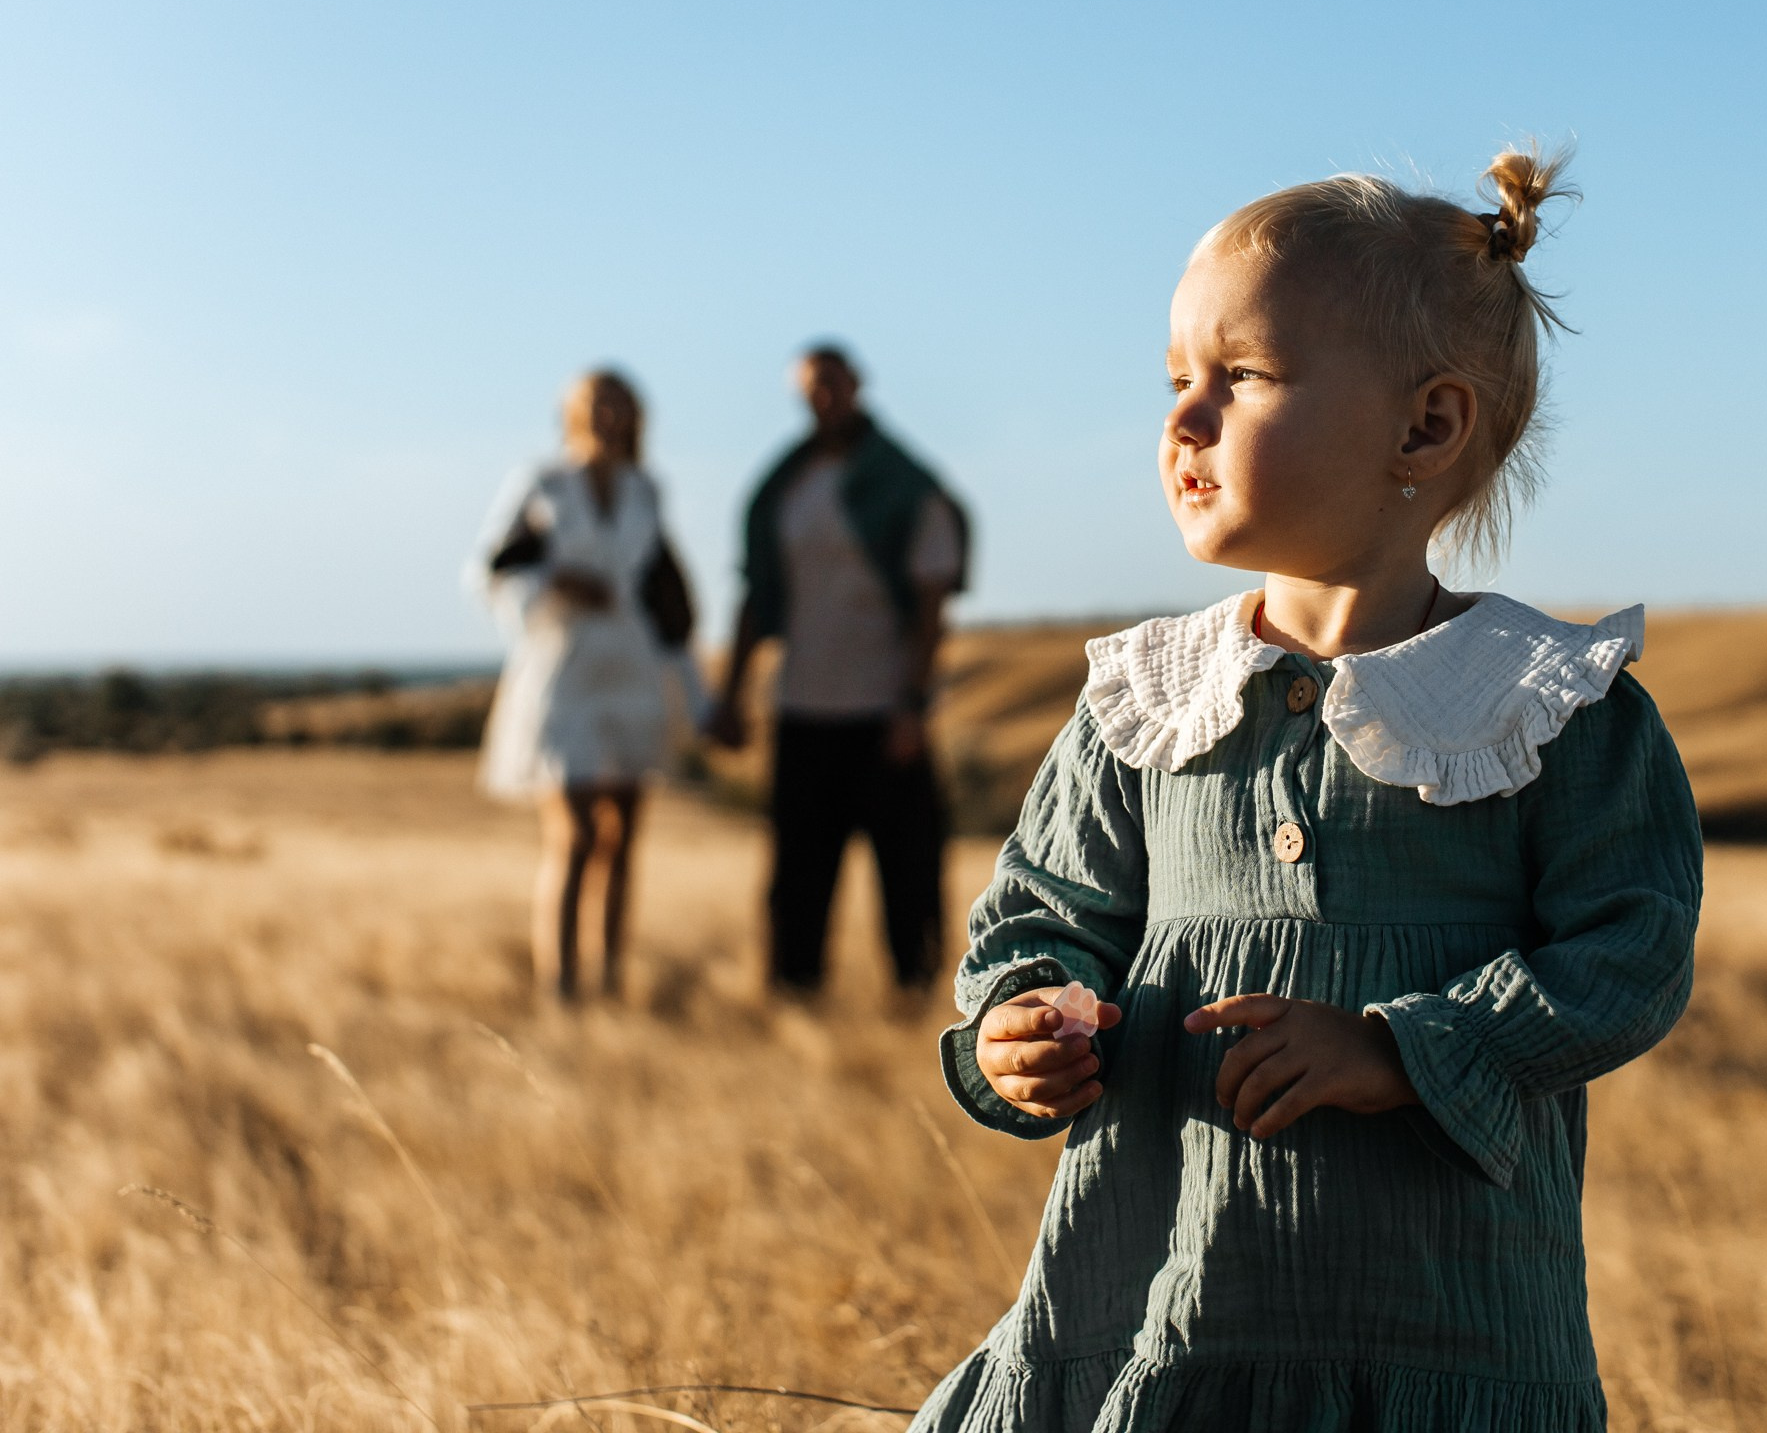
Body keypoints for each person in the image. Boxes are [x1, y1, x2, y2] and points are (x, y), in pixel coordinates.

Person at [912, 148, 1703, 1431]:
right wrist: (1026, 1017)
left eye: (1244, 379)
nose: (1183, 419)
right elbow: (1041, 914)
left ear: (1424, 426)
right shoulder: (1149, 699)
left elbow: (1633, 953)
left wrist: (1406, 1048)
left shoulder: (1548, 705)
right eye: (1177, 380)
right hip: (1153, 1304)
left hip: (1443, 1327)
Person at [707, 344, 970, 999]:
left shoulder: (905, 484)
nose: (821, 397)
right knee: (797, 877)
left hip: (884, 708)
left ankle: (915, 1001)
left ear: (855, 385)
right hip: (802, 703)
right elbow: (755, 592)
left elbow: (932, 600)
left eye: (831, 383)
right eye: (808, 387)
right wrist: (732, 694)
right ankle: (794, 1002)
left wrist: (912, 701)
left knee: (907, 873)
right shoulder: (782, 488)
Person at [472, 368, 701, 1001]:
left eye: (619, 403)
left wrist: (696, 693)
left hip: (631, 667)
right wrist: (555, 582)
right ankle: (559, 988)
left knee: (623, 835)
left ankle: (609, 983)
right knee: (572, 833)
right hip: (564, 668)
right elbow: (488, 568)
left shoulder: (647, 489)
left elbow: (664, 596)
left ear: (634, 415)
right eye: (596, 402)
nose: (608, 414)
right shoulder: (541, 482)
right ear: (573, 411)